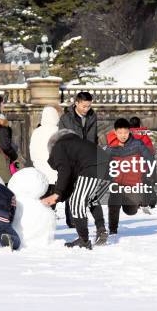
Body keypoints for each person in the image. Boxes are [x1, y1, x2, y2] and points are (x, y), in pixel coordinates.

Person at [42, 129, 111, 249]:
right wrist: (59, 197)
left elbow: (64, 170)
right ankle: (101, 230)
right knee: (91, 199)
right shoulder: (78, 145)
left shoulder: (59, 146)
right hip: (108, 169)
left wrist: (57, 194)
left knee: (76, 202)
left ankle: (83, 240)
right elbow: (69, 180)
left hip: (92, 168)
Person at [105, 118, 155, 235]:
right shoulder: (111, 146)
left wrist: (146, 174)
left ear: (129, 131)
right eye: (120, 133)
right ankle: (113, 230)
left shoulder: (138, 144)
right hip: (117, 182)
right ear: (115, 132)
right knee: (113, 204)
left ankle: (134, 204)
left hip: (133, 183)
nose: (123, 136)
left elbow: (150, 159)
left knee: (130, 211)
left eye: (125, 133)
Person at [58, 91, 98, 227]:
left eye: (89, 106)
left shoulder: (92, 116)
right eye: (84, 106)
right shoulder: (65, 118)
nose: (87, 109)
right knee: (71, 189)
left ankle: (80, 216)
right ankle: (72, 220)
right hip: (70, 159)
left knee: (83, 189)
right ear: (76, 103)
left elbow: (93, 138)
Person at [29, 106, 60, 208]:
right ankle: (50, 215)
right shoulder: (58, 131)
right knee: (52, 199)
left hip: (40, 170)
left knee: (41, 199)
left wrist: (36, 163)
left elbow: (32, 151)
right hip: (54, 171)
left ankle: (42, 218)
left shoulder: (36, 132)